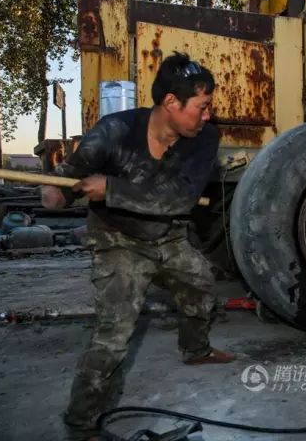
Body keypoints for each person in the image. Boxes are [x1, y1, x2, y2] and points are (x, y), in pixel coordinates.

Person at [41, 53, 235, 439]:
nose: (208, 115)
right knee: (114, 337)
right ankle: (81, 426)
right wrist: (57, 192)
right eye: (202, 107)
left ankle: (195, 350)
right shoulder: (112, 133)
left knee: (200, 284)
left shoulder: (204, 138)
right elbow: (65, 182)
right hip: (118, 240)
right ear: (170, 104)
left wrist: (111, 188)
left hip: (168, 232)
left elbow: (179, 198)